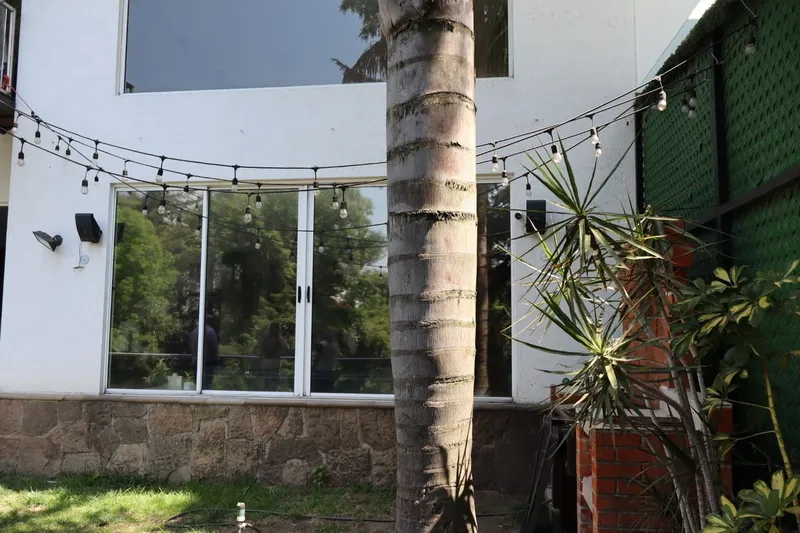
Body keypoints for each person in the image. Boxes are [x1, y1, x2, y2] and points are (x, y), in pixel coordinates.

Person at [256, 322, 288, 390]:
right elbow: (287, 348)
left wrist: (260, 361)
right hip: (272, 362)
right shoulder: (269, 339)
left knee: (268, 380)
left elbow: (260, 351)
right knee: (273, 380)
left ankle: (268, 391)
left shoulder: (266, 339)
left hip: (268, 362)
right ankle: (270, 391)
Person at [190, 317, 220, 389]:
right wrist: (216, 360)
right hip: (207, 362)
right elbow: (214, 348)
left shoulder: (194, 332)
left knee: (197, 382)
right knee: (207, 383)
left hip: (195, 361)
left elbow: (190, 347)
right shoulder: (210, 332)